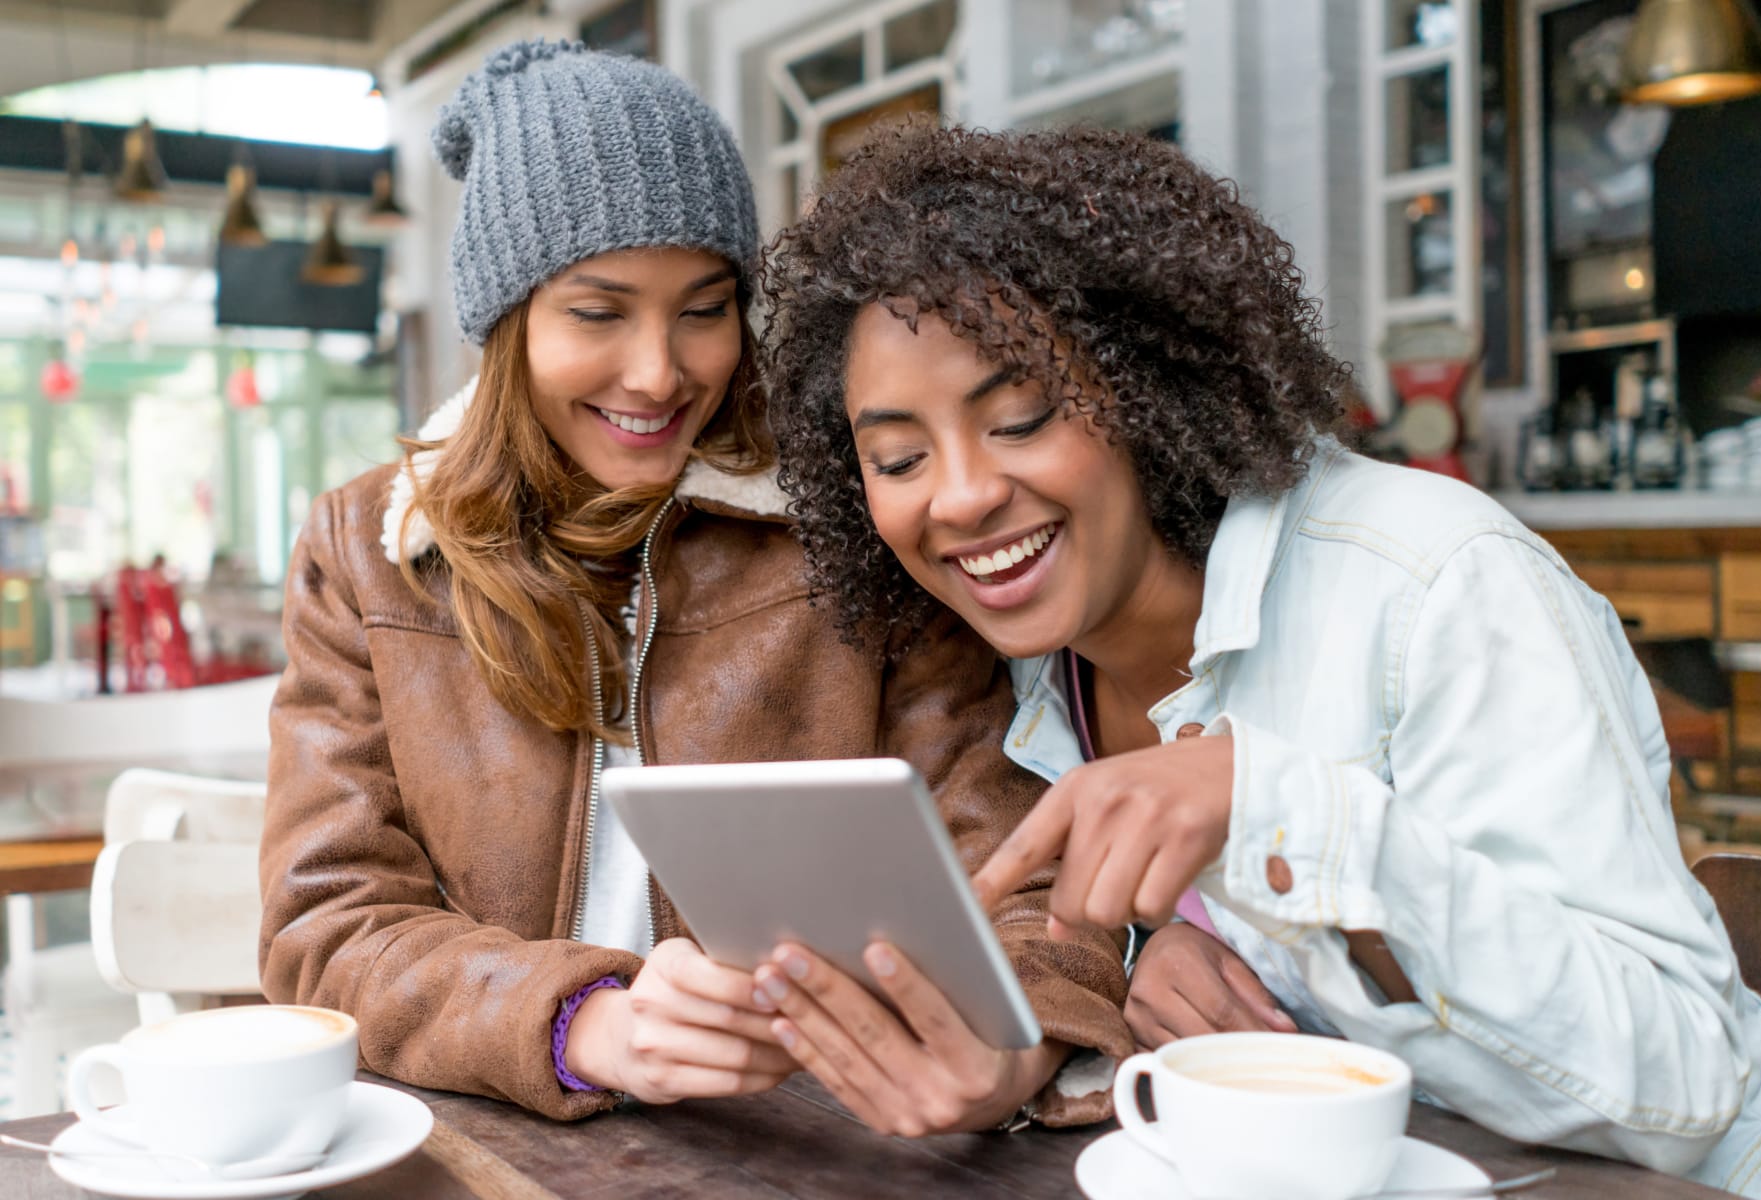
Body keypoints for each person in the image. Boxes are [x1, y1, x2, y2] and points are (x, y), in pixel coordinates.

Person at [760, 123, 1761, 1199]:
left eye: (1022, 415)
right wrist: (1147, 967)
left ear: (1144, 386)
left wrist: (1279, 807)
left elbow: (1682, 1084)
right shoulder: (1019, 664)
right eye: (897, 456)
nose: (957, 496)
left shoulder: (1433, 578)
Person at [257, 42, 1131, 1134]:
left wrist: (1018, 1043)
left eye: (703, 308)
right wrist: (581, 1020)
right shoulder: (370, 548)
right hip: (494, 1145)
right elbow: (327, 924)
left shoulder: (846, 522)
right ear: (509, 319)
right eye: (598, 311)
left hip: (819, 1142)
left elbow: (1029, 869)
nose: (660, 371)